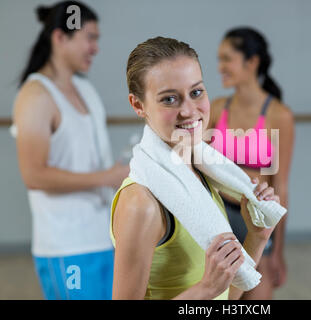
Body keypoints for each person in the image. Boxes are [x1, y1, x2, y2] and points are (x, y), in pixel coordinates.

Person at [110, 36, 280, 300]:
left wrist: (257, 237)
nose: (189, 111)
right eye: (169, 99)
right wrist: (205, 289)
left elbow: (226, 297)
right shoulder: (141, 204)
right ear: (138, 105)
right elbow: (211, 292)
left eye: (196, 92)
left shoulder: (202, 175)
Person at [12, 1, 129, 300]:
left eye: (97, 39)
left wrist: (118, 172)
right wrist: (107, 177)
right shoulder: (35, 95)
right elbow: (34, 176)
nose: (95, 48)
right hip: (66, 246)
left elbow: (87, 160)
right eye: (89, 38)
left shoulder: (86, 90)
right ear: (60, 38)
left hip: (104, 237)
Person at [208, 27, 294, 299]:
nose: (220, 67)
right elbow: (192, 160)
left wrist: (277, 250)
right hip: (216, 218)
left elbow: (280, 186)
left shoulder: (279, 115)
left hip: (256, 223)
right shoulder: (217, 108)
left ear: (252, 62)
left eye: (226, 59)